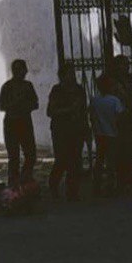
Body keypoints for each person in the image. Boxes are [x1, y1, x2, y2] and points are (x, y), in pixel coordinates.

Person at [47, 62, 87, 201]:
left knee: (76, 160)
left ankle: (72, 191)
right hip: (61, 129)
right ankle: (53, 186)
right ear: (62, 76)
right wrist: (69, 109)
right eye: (69, 73)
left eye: (73, 73)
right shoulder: (57, 90)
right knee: (62, 160)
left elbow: (83, 110)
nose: (72, 76)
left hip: (76, 128)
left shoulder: (79, 89)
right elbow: (51, 111)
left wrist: (85, 127)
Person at [0, 58, 39, 187]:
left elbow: (35, 103)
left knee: (30, 154)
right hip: (12, 123)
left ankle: (24, 179)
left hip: (24, 121)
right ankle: (15, 183)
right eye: (23, 69)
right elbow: (2, 106)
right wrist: (16, 104)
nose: (25, 71)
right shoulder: (7, 87)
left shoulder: (27, 86)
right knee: (14, 156)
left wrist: (24, 106)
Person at [109, 54, 132, 189]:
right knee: (122, 149)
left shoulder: (131, 79)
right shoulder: (113, 81)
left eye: (127, 64)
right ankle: (121, 180)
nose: (126, 67)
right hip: (121, 119)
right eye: (123, 64)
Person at [89, 73, 124, 195]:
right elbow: (119, 117)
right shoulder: (114, 100)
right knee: (111, 161)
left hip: (100, 134)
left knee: (99, 160)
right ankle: (111, 185)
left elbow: (92, 117)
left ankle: (96, 185)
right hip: (112, 134)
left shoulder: (95, 100)